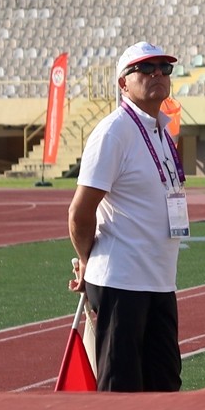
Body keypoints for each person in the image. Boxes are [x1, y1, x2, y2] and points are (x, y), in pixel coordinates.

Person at [68, 42, 186, 391]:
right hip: (121, 281)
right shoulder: (113, 132)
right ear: (123, 83)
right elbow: (80, 210)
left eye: (165, 68)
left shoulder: (161, 131)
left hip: (160, 281)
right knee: (120, 389)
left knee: (164, 384)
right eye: (145, 69)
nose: (157, 75)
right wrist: (85, 259)